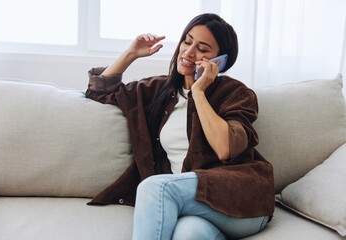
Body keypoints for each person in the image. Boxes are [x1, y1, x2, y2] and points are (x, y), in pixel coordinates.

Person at [86, 13, 275, 240]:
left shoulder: (236, 94)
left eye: (203, 49)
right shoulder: (157, 91)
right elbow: (99, 91)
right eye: (187, 41)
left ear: (220, 61)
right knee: (188, 233)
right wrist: (131, 54)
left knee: (154, 187)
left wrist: (199, 92)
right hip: (197, 207)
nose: (189, 52)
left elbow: (225, 148)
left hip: (241, 201)